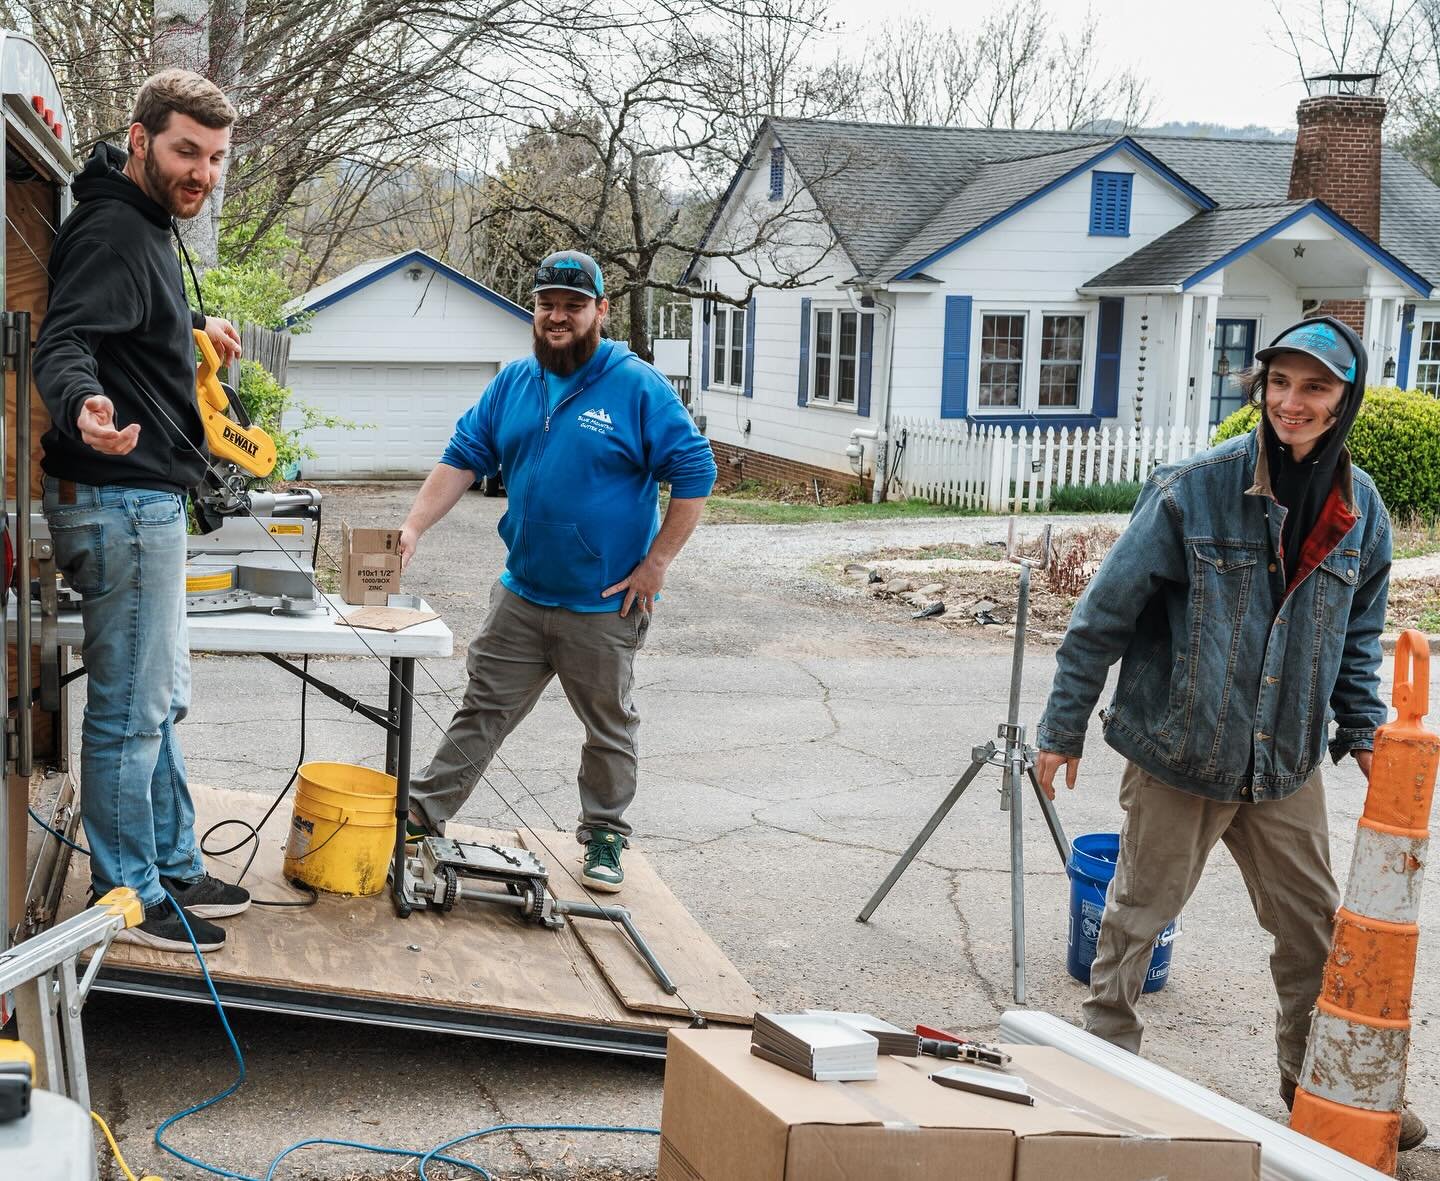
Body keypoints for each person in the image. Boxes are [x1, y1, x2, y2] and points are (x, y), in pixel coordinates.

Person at [1034, 315, 1426, 1151]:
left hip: (1284, 762)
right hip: (1184, 750)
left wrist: (1364, 730)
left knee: (1314, 932)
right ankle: (1102, 1076)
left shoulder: (1363, 515)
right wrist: (1061, 726)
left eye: (1313, 387)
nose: (1291, 401)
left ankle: (1315, 1086)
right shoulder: (1194, 488)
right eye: (1279, 382)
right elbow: (1102, 615)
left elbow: (1360, 638)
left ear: (1343, 400)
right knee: (1138, 916)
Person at [399, 250, 716, 891]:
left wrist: (656, 565)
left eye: (574, 306)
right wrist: (411, 528)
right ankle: (422, 816)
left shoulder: (636, 386)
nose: (558, 317)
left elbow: (695, 474)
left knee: (608, 725)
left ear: (601, 310)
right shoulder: (515, 383)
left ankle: (603, 836)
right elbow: (462, 457)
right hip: (522, 594)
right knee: (480, 710)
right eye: (548, 304)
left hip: (603, 605)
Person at [35, 70, 249, 953]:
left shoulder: (145, 226)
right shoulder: (116, 228)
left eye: (214, 158)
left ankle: (169, 859)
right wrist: (81, 401)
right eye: (185, 151)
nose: (200, 171)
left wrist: (194, 327)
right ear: (139, 139)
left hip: (141, 502)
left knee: (160, 701)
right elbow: (68, 339)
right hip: (118, 501)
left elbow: (130, 323)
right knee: (130, 711)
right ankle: (128, 891)